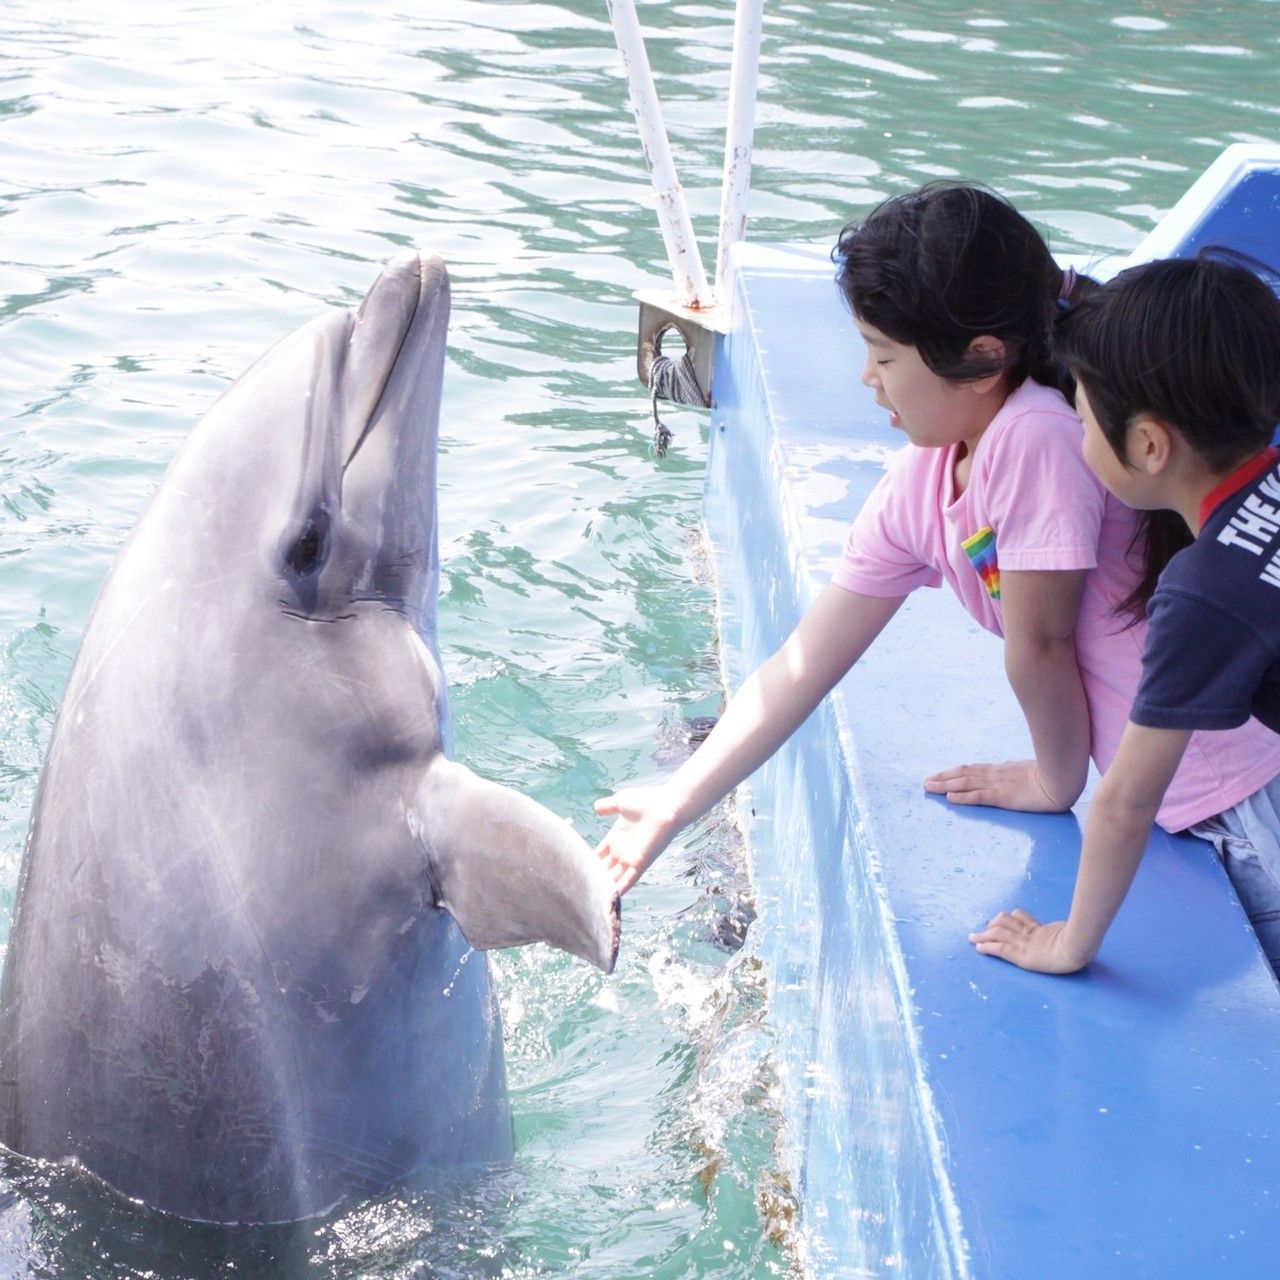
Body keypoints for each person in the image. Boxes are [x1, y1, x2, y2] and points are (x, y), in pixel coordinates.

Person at [593, 185, 1280, 927]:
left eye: (884, 356)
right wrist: (678, 798)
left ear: (982, 360)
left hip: (1235, 794)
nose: (867, 378)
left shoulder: (1035, 435)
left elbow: (1041, 644)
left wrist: (1054, 782)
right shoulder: (926, 482)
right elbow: (802, 663)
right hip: (1193, 794)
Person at [971, 254, 1280, 975]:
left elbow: (1125, 803)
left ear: (1146, 445)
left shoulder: (1205, 592)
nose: (1079, 443)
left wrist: (1068, 942)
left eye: (1082, 423)